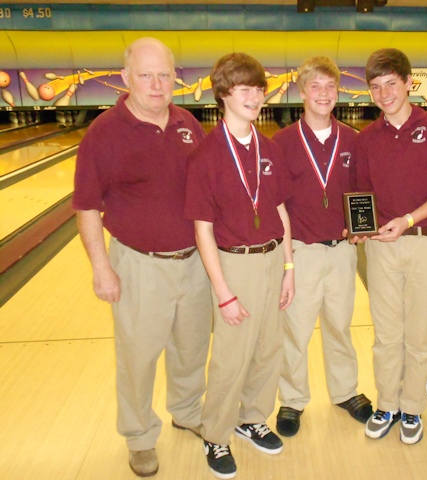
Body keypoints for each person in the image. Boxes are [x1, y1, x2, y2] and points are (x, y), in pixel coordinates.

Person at [73, 37, 212, 477]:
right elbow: (86, 206)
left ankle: (188, 411)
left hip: (193, 262)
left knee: (191, 349)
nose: (156, 84)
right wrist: (102, 268)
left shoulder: (188, 121)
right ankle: (138, 435)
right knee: (138, 356)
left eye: (164, 75)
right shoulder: (104, 133)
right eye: (146, 75)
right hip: (138, 264)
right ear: (126, 78)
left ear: (176, 78)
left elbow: (210, 190)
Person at [184, 52, 294, 479]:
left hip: (272, 259)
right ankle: (216, 434)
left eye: (259, 89)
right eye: (244, 89)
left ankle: (252, 417)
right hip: (235, 265)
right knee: (232, 357)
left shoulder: (268, 147)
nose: (254, 97)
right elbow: (203, 230)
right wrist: (223, 292)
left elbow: (280, 209)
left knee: (269, 349)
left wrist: (288, 267)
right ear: (224, 95)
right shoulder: (207, 155)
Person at [354, 48, 427, 445]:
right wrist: (360, 228)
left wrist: (409, 219)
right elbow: (360, 196)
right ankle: (388, 404)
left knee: (418, 334)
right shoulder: (367, 139)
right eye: (376, 87)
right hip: (382, 248)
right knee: (386, 334)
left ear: (408, 82)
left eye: (391, 84)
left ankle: (413, 407)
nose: (384, 94)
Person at [271, 57, 372, 437]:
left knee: (339, 326)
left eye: (330, 87)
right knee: (295, 330)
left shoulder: (353, 140)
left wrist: (363, 225)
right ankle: (293, 400)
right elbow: (275, 203)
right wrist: (285, 261)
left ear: (338, 92)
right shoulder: (281, 143)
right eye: (316, 86)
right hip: (301, 252)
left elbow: (362, 191)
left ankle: (346, 392)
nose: (324, 94)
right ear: (302, 91)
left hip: (343, 251)